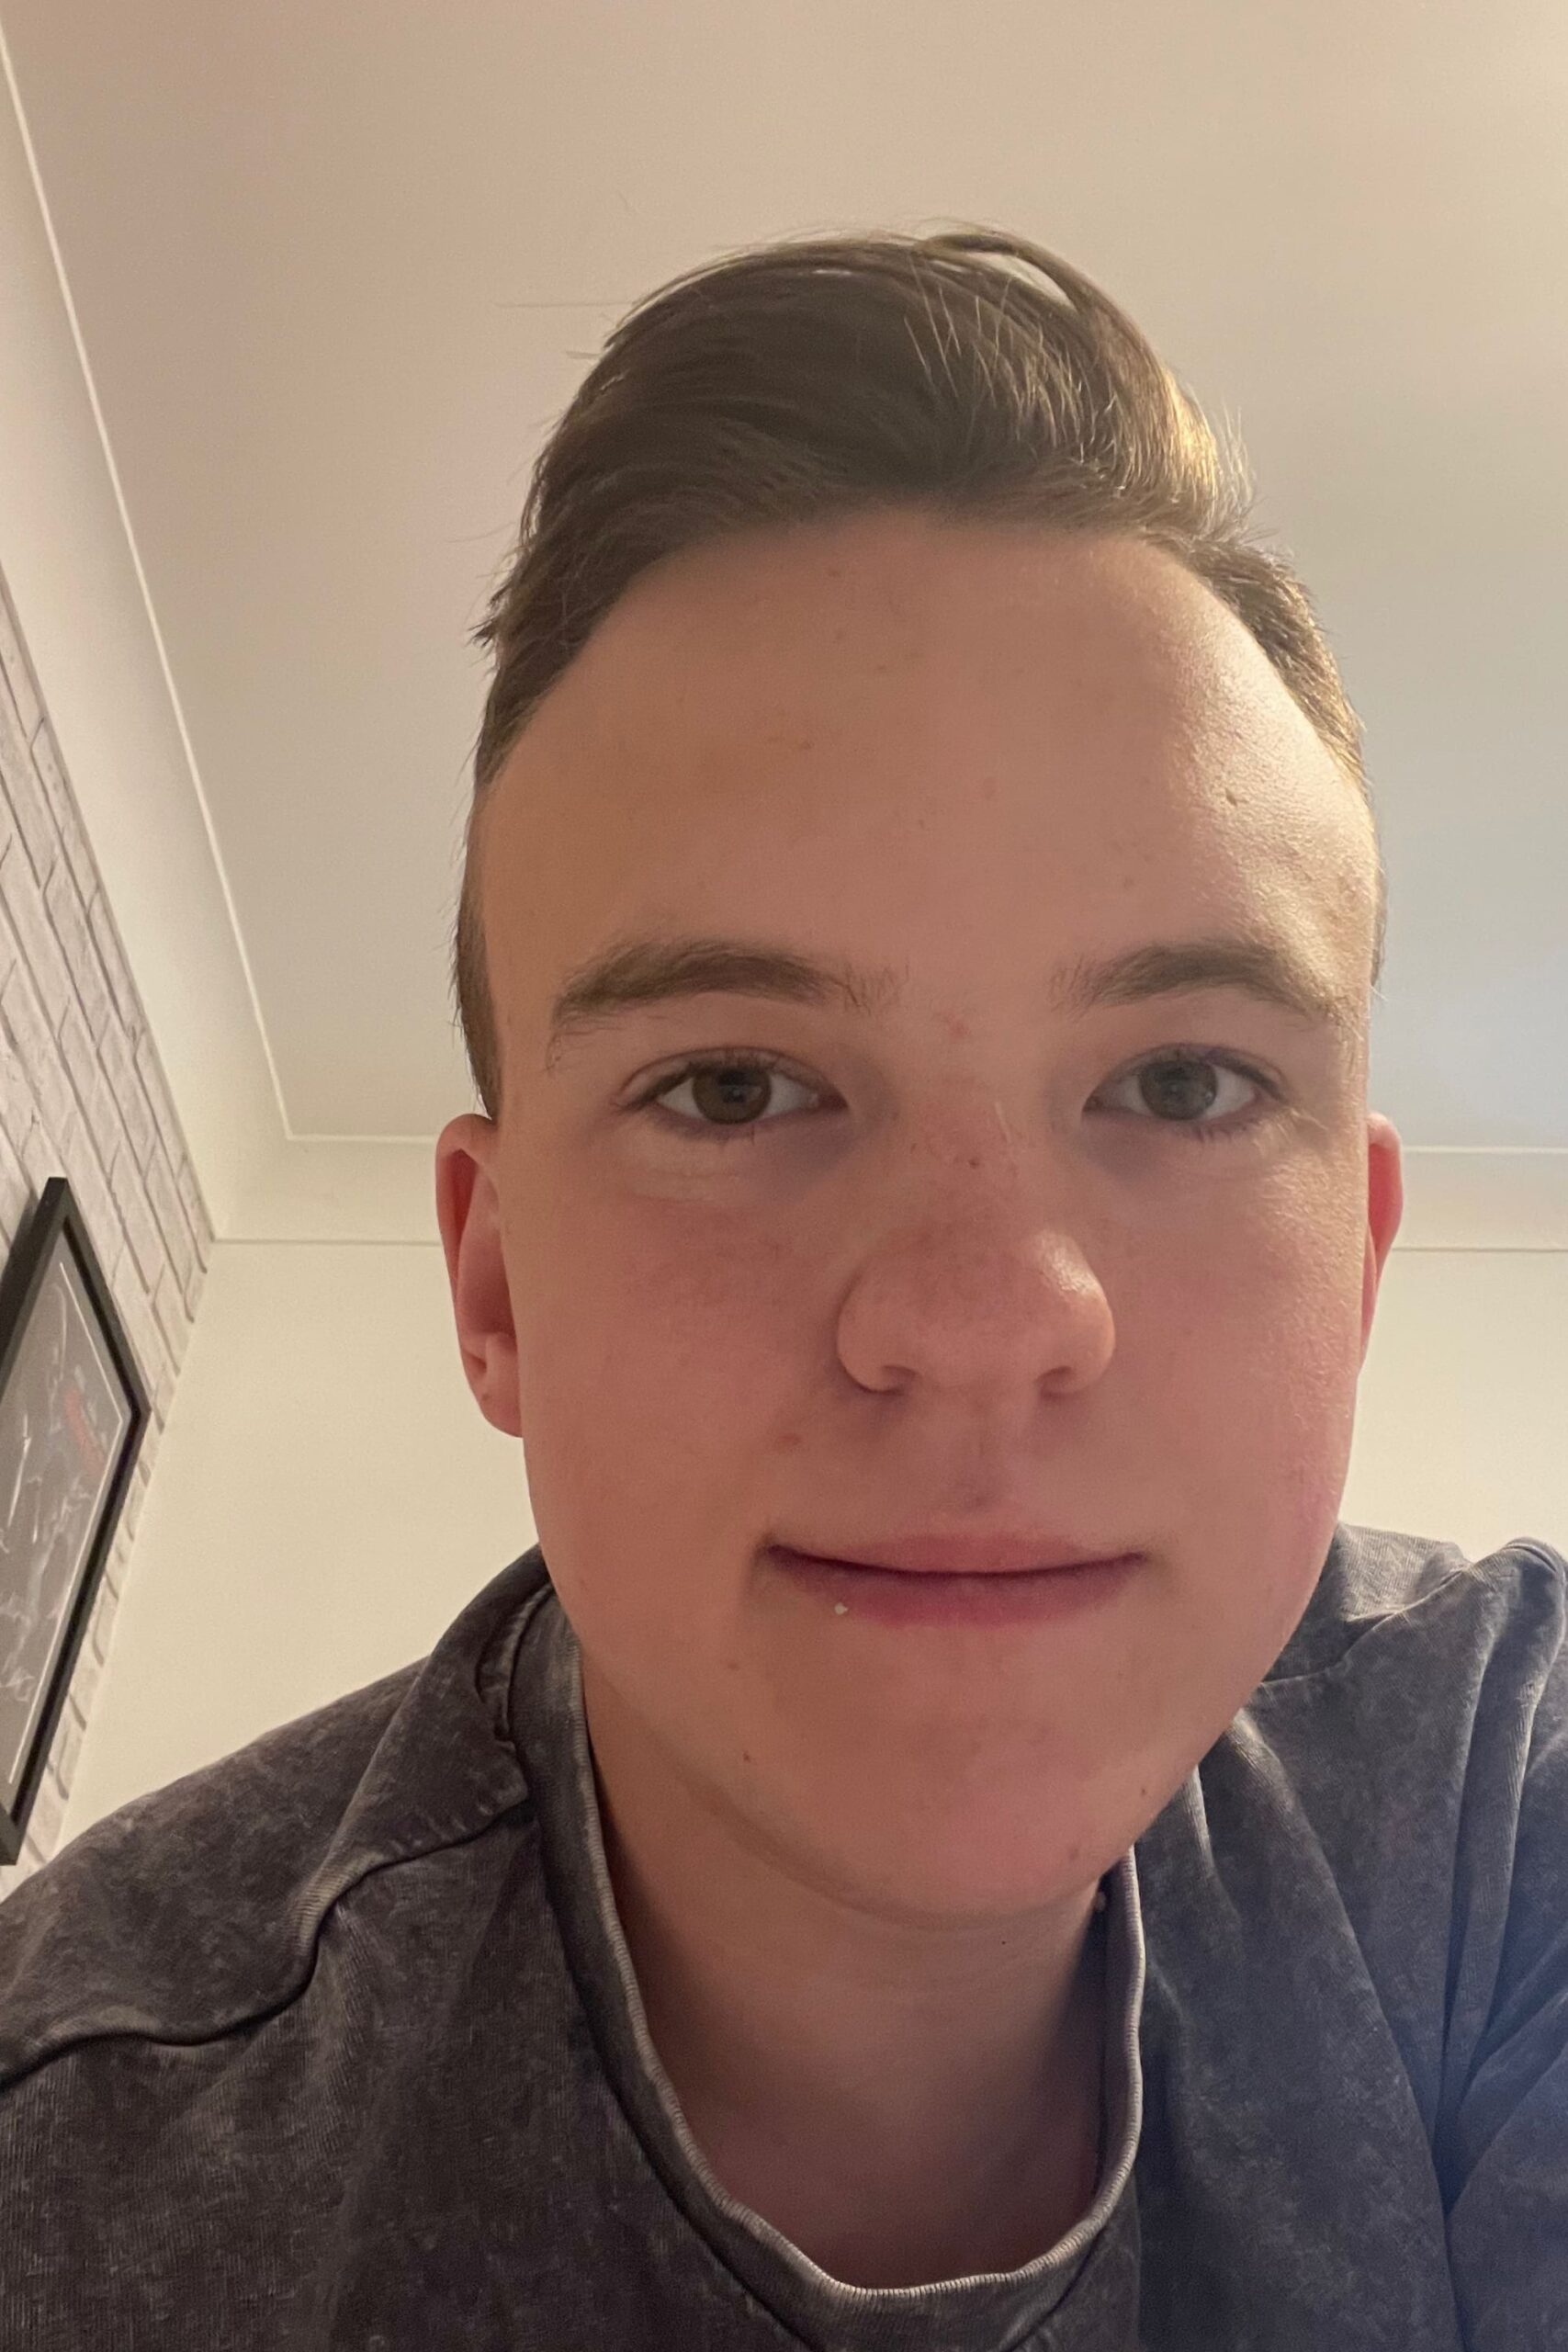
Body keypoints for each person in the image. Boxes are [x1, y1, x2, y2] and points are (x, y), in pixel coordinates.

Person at [1, 224, 1562, 2350]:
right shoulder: (75, 2167)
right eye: (733, 1085)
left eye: (1180, 1082)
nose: (982, 1314)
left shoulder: (1500, 1793)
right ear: (494, 1284)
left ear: (1354, 1267)